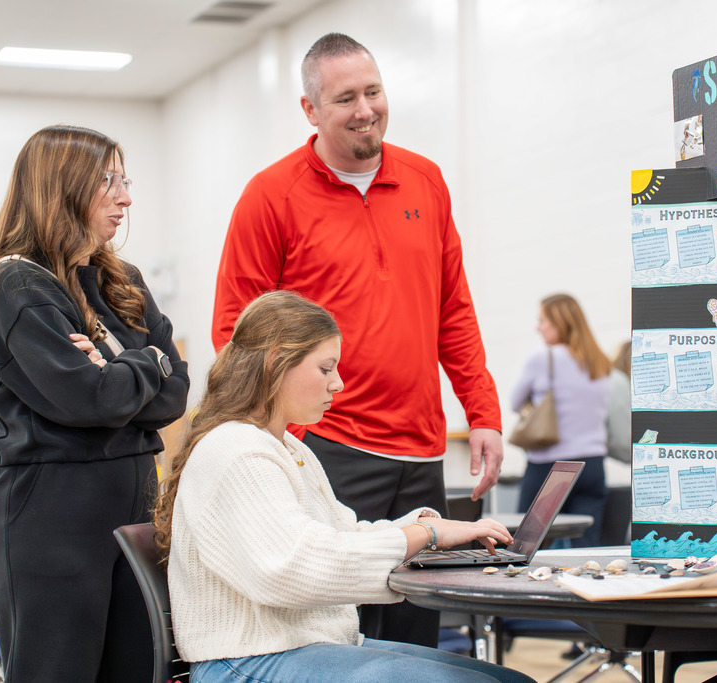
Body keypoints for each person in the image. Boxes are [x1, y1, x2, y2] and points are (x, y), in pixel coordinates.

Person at [211, 32, 503, 645]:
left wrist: (482, 412)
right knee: (334, 632)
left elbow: (453, 308)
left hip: (421, 448)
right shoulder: (271, 196)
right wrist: (280, 439)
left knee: (414, 631)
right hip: (328, 446)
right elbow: (235, 332)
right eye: (346, 98)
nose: (366, 109)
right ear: (310, 109)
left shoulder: (425, 181)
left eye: (374, 91)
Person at [153, 291, 533, 683]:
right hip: (248, 660)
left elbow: (341, 537)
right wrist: (424, 534)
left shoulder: (287, 447)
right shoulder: (238, 450)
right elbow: (292, 568)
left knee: (511, 681)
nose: (338, 383)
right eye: (326, 368)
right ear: (274, 362)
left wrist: (428, 532)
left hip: (305, 646)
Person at [0, 124, 190, 682]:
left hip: (134, 507)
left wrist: (123, 368)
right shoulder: (15, 285)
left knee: (140, 669)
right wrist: (145, 362)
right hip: (52, 517)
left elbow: (175, 391)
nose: (126, 197)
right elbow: (90, 400)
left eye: (124, 180)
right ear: (60, 188)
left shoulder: (120, 281)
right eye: (109, 181)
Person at [509, 294, 619, 548]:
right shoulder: (599, 363)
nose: (539, 327)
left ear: (559, 323)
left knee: (525, 545)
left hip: (549, 467)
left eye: (543, 321)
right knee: (586, 547)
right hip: (592, 465)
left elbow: (515, 403)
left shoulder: (543, 359)